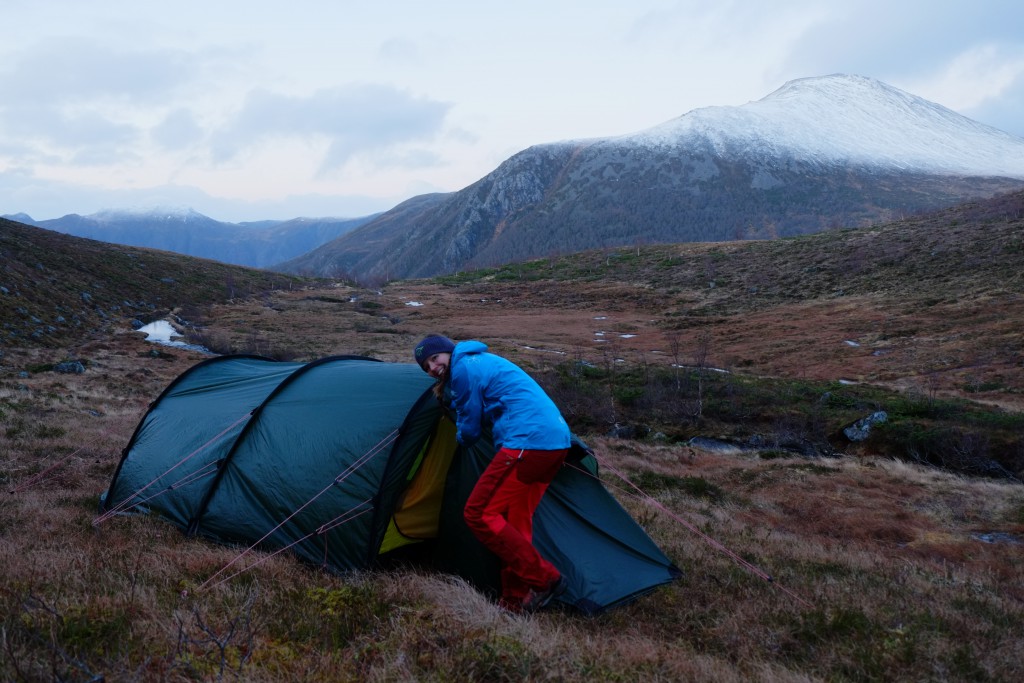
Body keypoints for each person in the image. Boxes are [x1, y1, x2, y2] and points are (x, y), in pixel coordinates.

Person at [414, 334, 570, 613]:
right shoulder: (480, 360)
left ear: (448, 352)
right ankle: (514, 600)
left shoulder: (463, 368)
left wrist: (459, 434)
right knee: (514, 520)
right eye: (426, 367)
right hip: (555, 443)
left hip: (527, 441)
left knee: (478, 513)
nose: (433, 368)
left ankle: (546, 579)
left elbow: (471, 428)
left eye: (435, 359)